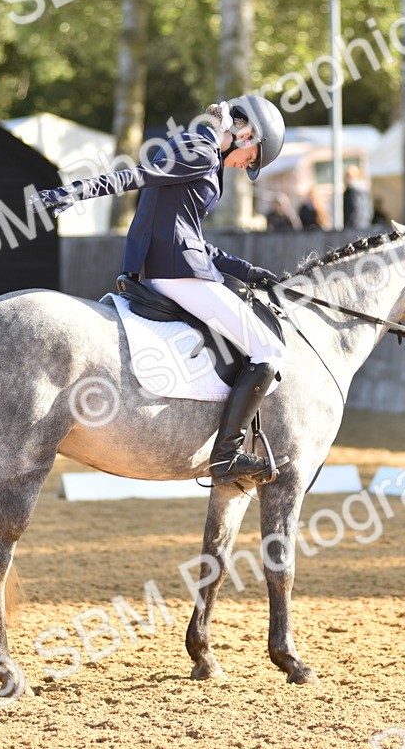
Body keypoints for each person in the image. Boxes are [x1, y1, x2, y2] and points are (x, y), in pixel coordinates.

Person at [32, 95, 290, 487]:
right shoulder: (201, 152)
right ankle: (227, 455)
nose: (246, 166)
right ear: (247, 133)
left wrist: (250, 271)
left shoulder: (198, 147)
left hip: (172, 265)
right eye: (252, 159)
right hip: (176, 272)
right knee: (269, 349)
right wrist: (72, 193)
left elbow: (194, 238)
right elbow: (134, 176)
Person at [342, 165, 373, 230]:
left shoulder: (355, 191)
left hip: (356, 225)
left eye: (348, 176)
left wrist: (351, 224)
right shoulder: (362, 189)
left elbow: (357, 209)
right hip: (361, 224)